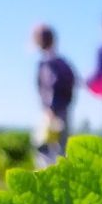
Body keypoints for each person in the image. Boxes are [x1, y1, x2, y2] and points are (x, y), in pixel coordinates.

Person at [32, 24, 76, 167]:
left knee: (47, 149)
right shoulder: (63, 62)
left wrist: (50, 108)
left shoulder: (48, 63)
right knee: (61, 149)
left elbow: (51, 85)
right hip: (63, 110)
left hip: (53, 112)